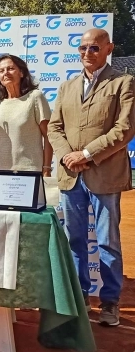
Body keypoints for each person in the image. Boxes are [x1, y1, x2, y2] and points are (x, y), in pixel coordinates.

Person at [48, 28, 135, 326]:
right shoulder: (67, 86)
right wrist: (65, 156)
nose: (88, 53)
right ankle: (79, 296)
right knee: (74, 239)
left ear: (108, 49)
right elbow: (54, 128)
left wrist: (85, 154)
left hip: (105, 175)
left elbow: (124, 130)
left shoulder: (123, 83)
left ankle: (110, 302)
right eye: (83, 48)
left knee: (107, 241)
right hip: (70, 175)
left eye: (94, 48)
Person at [0, 54, 52, 175]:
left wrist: (46, 168)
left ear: (22, 73)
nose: (6, 73)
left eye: (11, 69)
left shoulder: (35, 97)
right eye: (1, 71)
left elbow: (49, 136)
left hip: (28, 170)